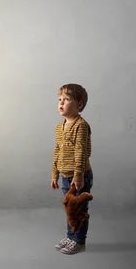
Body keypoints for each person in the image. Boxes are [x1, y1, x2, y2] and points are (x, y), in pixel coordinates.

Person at [51, 83, 93, 255]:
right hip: (65, 176)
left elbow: (81, 151)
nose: (61, 103)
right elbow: (57, 150)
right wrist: (55, 173)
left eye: (67, 99)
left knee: (79, 210)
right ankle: (70, 236)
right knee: (69, 209)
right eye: (59, 99)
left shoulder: (81, 126)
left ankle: (79, 241)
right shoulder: (59, 127)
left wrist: (78, 176)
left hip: (79, 176)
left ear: (79, 105)